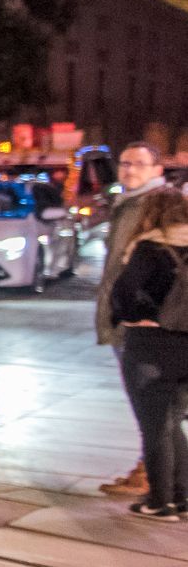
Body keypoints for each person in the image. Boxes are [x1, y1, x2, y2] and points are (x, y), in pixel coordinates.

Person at [110, 185, 188, 520]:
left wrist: (134, 316)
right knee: (172, 423)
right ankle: (183, 496)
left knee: (154, 426)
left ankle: (160, 502)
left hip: (150, 346)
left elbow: (124, 292)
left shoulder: (150, 246)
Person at [100, 142, 171, 498]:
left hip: (142, 320)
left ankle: (154, 475)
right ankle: (151, 469)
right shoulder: (127, 204)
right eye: (125, 163)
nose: (129, 170)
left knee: (151, 401)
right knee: (147, 401)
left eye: (139, 164)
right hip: (127, 316)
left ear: (158, 170)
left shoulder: (154, 205)